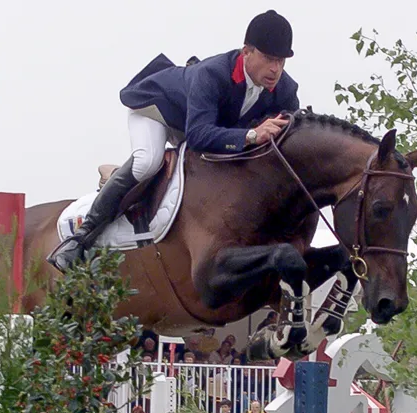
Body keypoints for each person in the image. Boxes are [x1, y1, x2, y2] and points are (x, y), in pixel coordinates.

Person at [47, 10, 300, 272]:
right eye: (269, 58)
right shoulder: (212, 74)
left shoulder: (286, 90)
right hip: (159, 110)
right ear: (246, 52)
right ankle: (81, 238)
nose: (275, 69)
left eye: (281, 61)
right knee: (148, 162)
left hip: (198, 121)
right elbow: (199, 135)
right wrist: (251, 135)